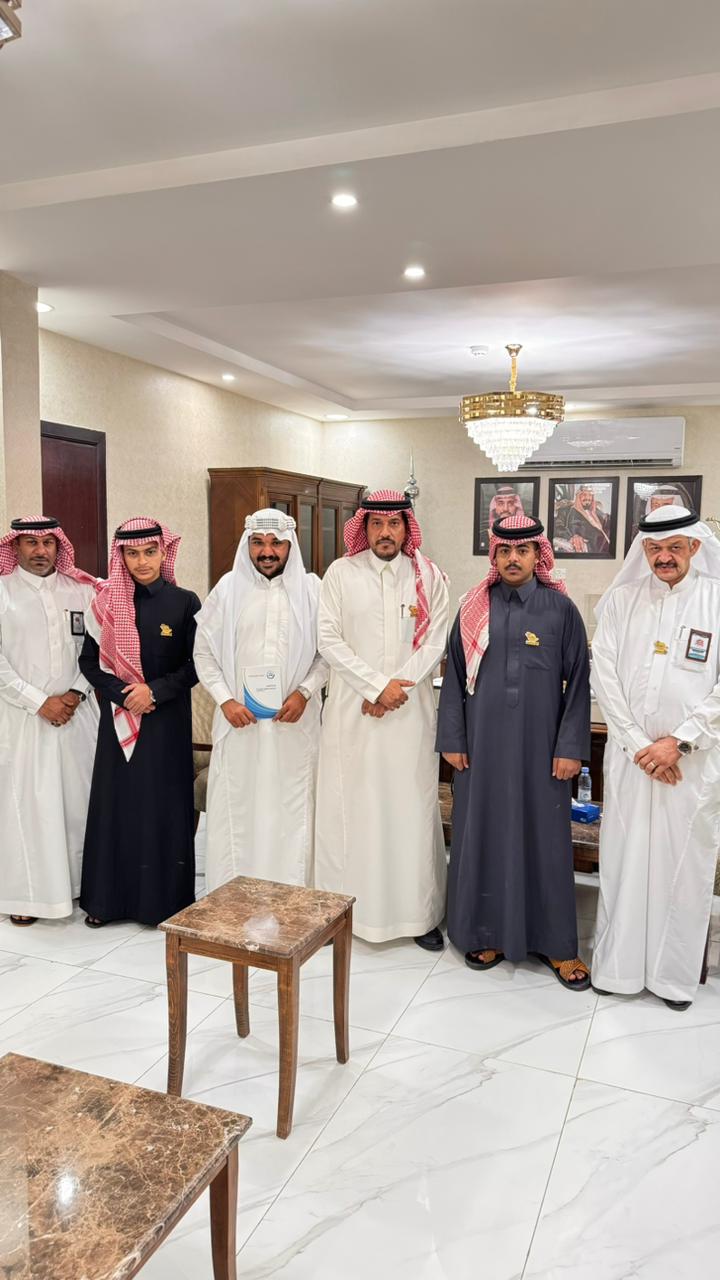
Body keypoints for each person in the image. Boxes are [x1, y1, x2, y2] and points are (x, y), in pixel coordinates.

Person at [436, 513, 591, 988]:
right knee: (482, 836)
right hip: (480, 750)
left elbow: (579, 684)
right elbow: (453, 677)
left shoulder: (560, 610)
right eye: (504, 550)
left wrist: (570, 747)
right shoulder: (473, 608)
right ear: (494, 555)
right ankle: (486, 934)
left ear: (538, 554)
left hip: (542, 754)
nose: (512, 559)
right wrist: (453, 740)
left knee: (545, 842)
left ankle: (557, 946)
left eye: (522, 550)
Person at [591, 505, 720, 1010]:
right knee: (624, 859)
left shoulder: (715, 599)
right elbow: (604, 676)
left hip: (690, 765)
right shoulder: (622, 600)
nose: (663, 557)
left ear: (694, 547)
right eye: (653, 549)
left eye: (674, 548)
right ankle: (617, 969)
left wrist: (678, 742)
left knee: (682, 867)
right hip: (631, 760)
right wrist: (637, 744)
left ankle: (672, 978)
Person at [315, 489, 449, 948]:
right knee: (350, 811)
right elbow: (328, 640)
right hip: (352, 716)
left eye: (394, 524)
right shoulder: (340, 573)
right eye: (376, 524)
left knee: (410, 810)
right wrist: (375, 686)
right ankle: (340, 915)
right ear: (365, 528)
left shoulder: (429, 576)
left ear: (407, 527)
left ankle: (418, 916)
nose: (385, 532)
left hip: (409, 718)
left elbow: (435, 642)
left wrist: (392, 692)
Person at [193, 509, 327, 890]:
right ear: (248, 545)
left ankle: (293, 898)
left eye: (276, 543)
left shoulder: (312, 591)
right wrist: (225, 700)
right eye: (258, 543)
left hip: (294, 727)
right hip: (240, 726)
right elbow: (203, 653)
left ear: (290, 546)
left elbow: (328, 653)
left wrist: (304, 692)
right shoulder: (227, 590)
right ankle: (233, 896)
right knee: (240, 808)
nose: (267, 551)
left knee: (292, 810)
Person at [79, 518, 200, 927]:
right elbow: (88, 663)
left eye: (150, 552)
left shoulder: (185, 603)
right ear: (121, 557)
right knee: (116, 807)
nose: (142, 561)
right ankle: (106, 903)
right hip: (117, 721)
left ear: (164, 552)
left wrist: (155, 691)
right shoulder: (104, 604)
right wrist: (124, 694)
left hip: (166, 723)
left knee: (162, 808)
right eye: (132, 553)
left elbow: (197, 665)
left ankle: (162, 905)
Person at [0, 516, 100, 925]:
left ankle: (80, 886)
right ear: (15, 547)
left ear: (60, 547)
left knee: (80, 805)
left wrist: (75, 694)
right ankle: (29, 897)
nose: (40, 551)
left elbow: (99, 651)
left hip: (79, 716)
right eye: (31, 543)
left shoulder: (83, 591)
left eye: (48, 543)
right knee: (29, 807)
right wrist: (39, 702)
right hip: (22, 720)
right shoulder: (2, 592)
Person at [561, 484, 611, 554]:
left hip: (605, 543)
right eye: (584, 495)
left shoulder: (595, 511)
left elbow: (605, 519)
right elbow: (574, 526)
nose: (587, 498)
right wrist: (576, 536)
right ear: (579, 497)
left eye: (590, 495)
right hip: (594, 547)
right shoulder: (574, 511)